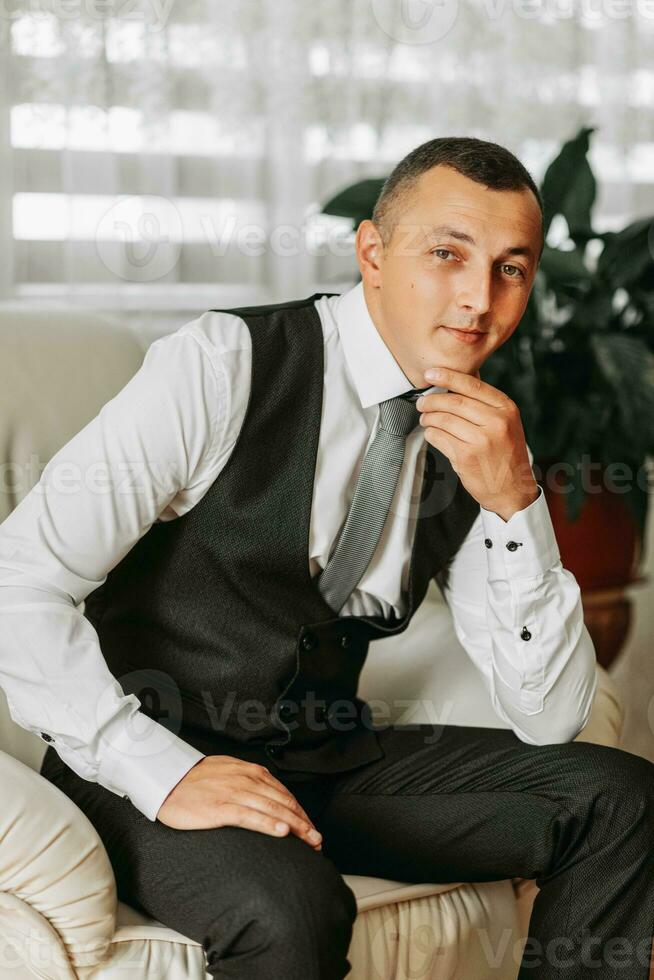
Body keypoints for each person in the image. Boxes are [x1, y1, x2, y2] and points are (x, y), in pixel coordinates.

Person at [1, 136, 652, 980]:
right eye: (447, 254)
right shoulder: (224, 366)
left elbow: (551, 718)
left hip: (328, 758)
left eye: (511, 269)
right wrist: (162, 770)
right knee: (292, 910)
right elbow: (18, 580)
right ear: (372, 254)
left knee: (623, 802)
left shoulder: (481, 431)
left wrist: (515, 503)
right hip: (147, 756)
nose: (477, 299)